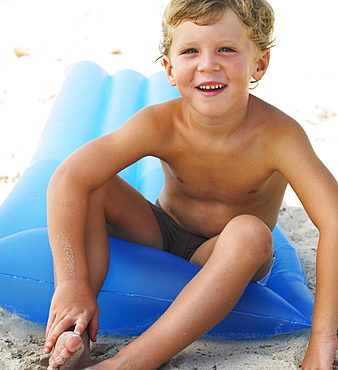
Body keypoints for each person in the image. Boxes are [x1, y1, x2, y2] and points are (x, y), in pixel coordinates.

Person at [44, 0, 338, 369]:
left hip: (226, 251)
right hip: (161, 230)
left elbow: (334, 221)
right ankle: (77, 336)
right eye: (190, 51)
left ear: (259, 64)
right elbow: (69, 177)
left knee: (250, 232)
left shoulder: (279, 137)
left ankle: (128, 363)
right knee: (96, 183)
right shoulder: (160, 123)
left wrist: (322, 339)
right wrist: (71, 284)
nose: (207, 64)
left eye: (226, 49)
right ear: (169, 68)